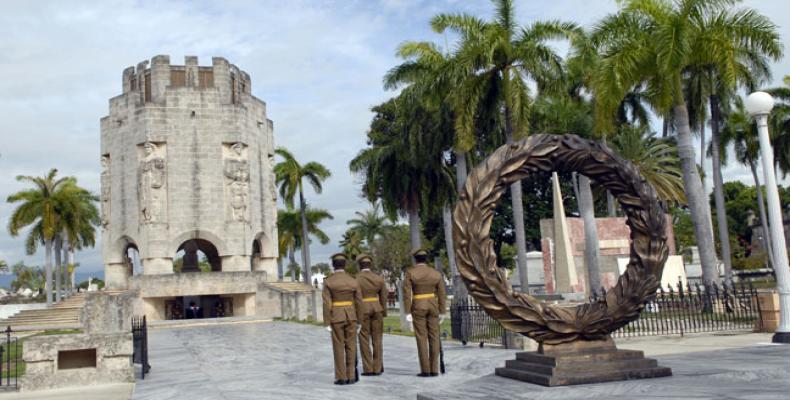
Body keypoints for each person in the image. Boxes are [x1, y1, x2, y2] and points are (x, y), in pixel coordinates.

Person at [403, 249, 446, 377]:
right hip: (433, 305)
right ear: (425, 259)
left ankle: (425, 370)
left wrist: (407, 311)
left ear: (415, 259)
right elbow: (442, 293)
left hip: (418, 304)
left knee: (422, 338)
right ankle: (434, 369)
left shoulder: (410, 272)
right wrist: (442, 311)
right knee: (434, 337)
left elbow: (407, 293)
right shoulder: (435, 273)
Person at [322, 253, 363, 385]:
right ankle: (351, 375)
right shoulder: (353, 280)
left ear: (333, 265)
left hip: (336, 316)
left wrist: (327, 321)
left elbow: (326, 303)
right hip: (351, 315)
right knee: (351, 345)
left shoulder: (329, 281)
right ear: (345, 265)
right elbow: (359, 302)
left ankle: (341, 377)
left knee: (338, 346)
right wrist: (360, 320)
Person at [355, 254, 387, 376]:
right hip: (377, 308)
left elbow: (355, 298)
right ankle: (378, 367)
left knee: (364, 339)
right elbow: (383, 296)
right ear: (370, 265)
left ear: (359, 265)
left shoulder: (356, 279)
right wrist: (383, 311)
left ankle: (368, 369)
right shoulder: (379, 278)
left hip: (363, 310)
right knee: (377, 339)